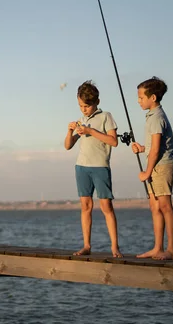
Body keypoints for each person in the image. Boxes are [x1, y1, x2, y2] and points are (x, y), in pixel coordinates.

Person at [64, 80, 122, 258]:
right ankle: (87, 245)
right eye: (81, 106)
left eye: (87, 106)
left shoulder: (106, 116)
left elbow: (114, 141)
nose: (84, 109)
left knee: (106, 206)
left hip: (100, 167)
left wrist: (91, 132)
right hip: (82, 167)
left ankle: (114, 247)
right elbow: (68, 146)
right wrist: (70, 131)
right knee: (85, 206)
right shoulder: (82, 120)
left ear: (96, 102)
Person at [131, 76, 173, 260]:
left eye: (141, 97)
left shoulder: (157, 117)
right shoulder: (152, 117)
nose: (138, 100)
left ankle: (171, 250)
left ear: (153, 98)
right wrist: (142, 148)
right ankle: (158, 248)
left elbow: (157, 149)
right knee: (154, 206)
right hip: (155, 164)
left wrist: (147, 172)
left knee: (165, 206)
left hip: (162, 166)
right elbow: (153, 147)